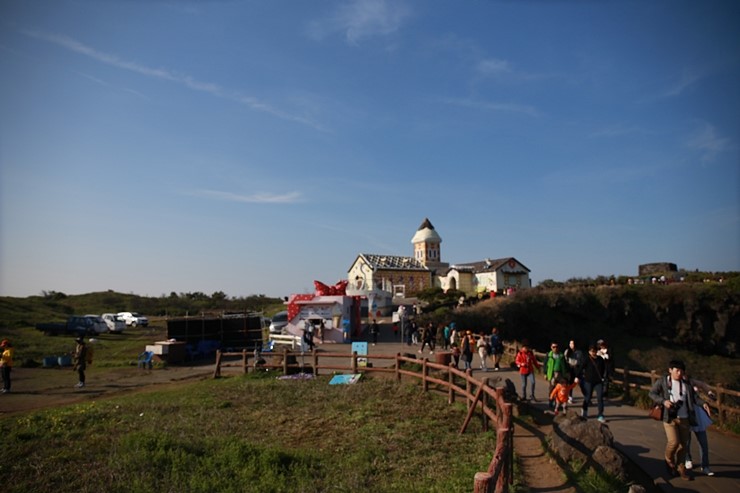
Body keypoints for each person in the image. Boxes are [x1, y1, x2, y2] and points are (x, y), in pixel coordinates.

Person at [649, 360, 706, 481]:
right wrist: (664, 401)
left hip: (684, 418)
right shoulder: (663, 382)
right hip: (670, 418)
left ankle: (681, 468)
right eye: (677, 370)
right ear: (670, 370)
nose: (679, 373)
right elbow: (652, 393)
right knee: (673, 442)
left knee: (683, 445)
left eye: (681, 371)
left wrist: (703, 403)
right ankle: (669, 460)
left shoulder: (686, 383)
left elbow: (694, 397)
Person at [685, 378, 714, 476]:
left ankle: (705, 466)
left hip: (698, 413)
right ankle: (687, 458)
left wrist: (709, 392)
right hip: (686, 413)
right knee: (686, 440)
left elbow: (702, 384)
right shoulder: (675, 383)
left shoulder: (691, 381)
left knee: (703, 442)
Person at [578, 343, 606, 422]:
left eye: (594, 351)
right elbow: (581, 368)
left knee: (600, 397)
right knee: (587, 397)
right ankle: (584, 411)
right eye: (591, 351)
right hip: (588, 381)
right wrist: (577, 377)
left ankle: (600, 414)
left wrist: (603, 377)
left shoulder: (600, 359)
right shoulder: (587, 359)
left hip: (598, 381)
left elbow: (603, 369)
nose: (592, 352)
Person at [544, 342, 568, 407]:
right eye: (553, 347)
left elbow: (565, 365)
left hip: (560, 373)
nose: (555, 348)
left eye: (556, 347)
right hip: (552, 373)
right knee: (552, 388)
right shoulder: (549, 355)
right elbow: (545, 365)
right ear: (551, 347)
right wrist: (545, 373)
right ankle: (551, 400)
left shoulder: (561, 356)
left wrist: (565, 374)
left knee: (560, 388)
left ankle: (558, 402)